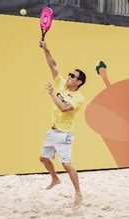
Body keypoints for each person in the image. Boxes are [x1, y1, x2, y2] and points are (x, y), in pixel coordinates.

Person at [39, 40, 86, 207]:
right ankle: (55, 178)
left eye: (73, 76)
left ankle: (78, 193)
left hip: (65, 134)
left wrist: (52, 95)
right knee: (44, 158)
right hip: (53, 131)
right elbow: (53, 65)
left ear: (79, 82)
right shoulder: (61, 84)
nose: (69, 77)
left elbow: (65, 108)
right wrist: (46, 49)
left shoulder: (79, 98)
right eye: (70, 74)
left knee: (66, 164)